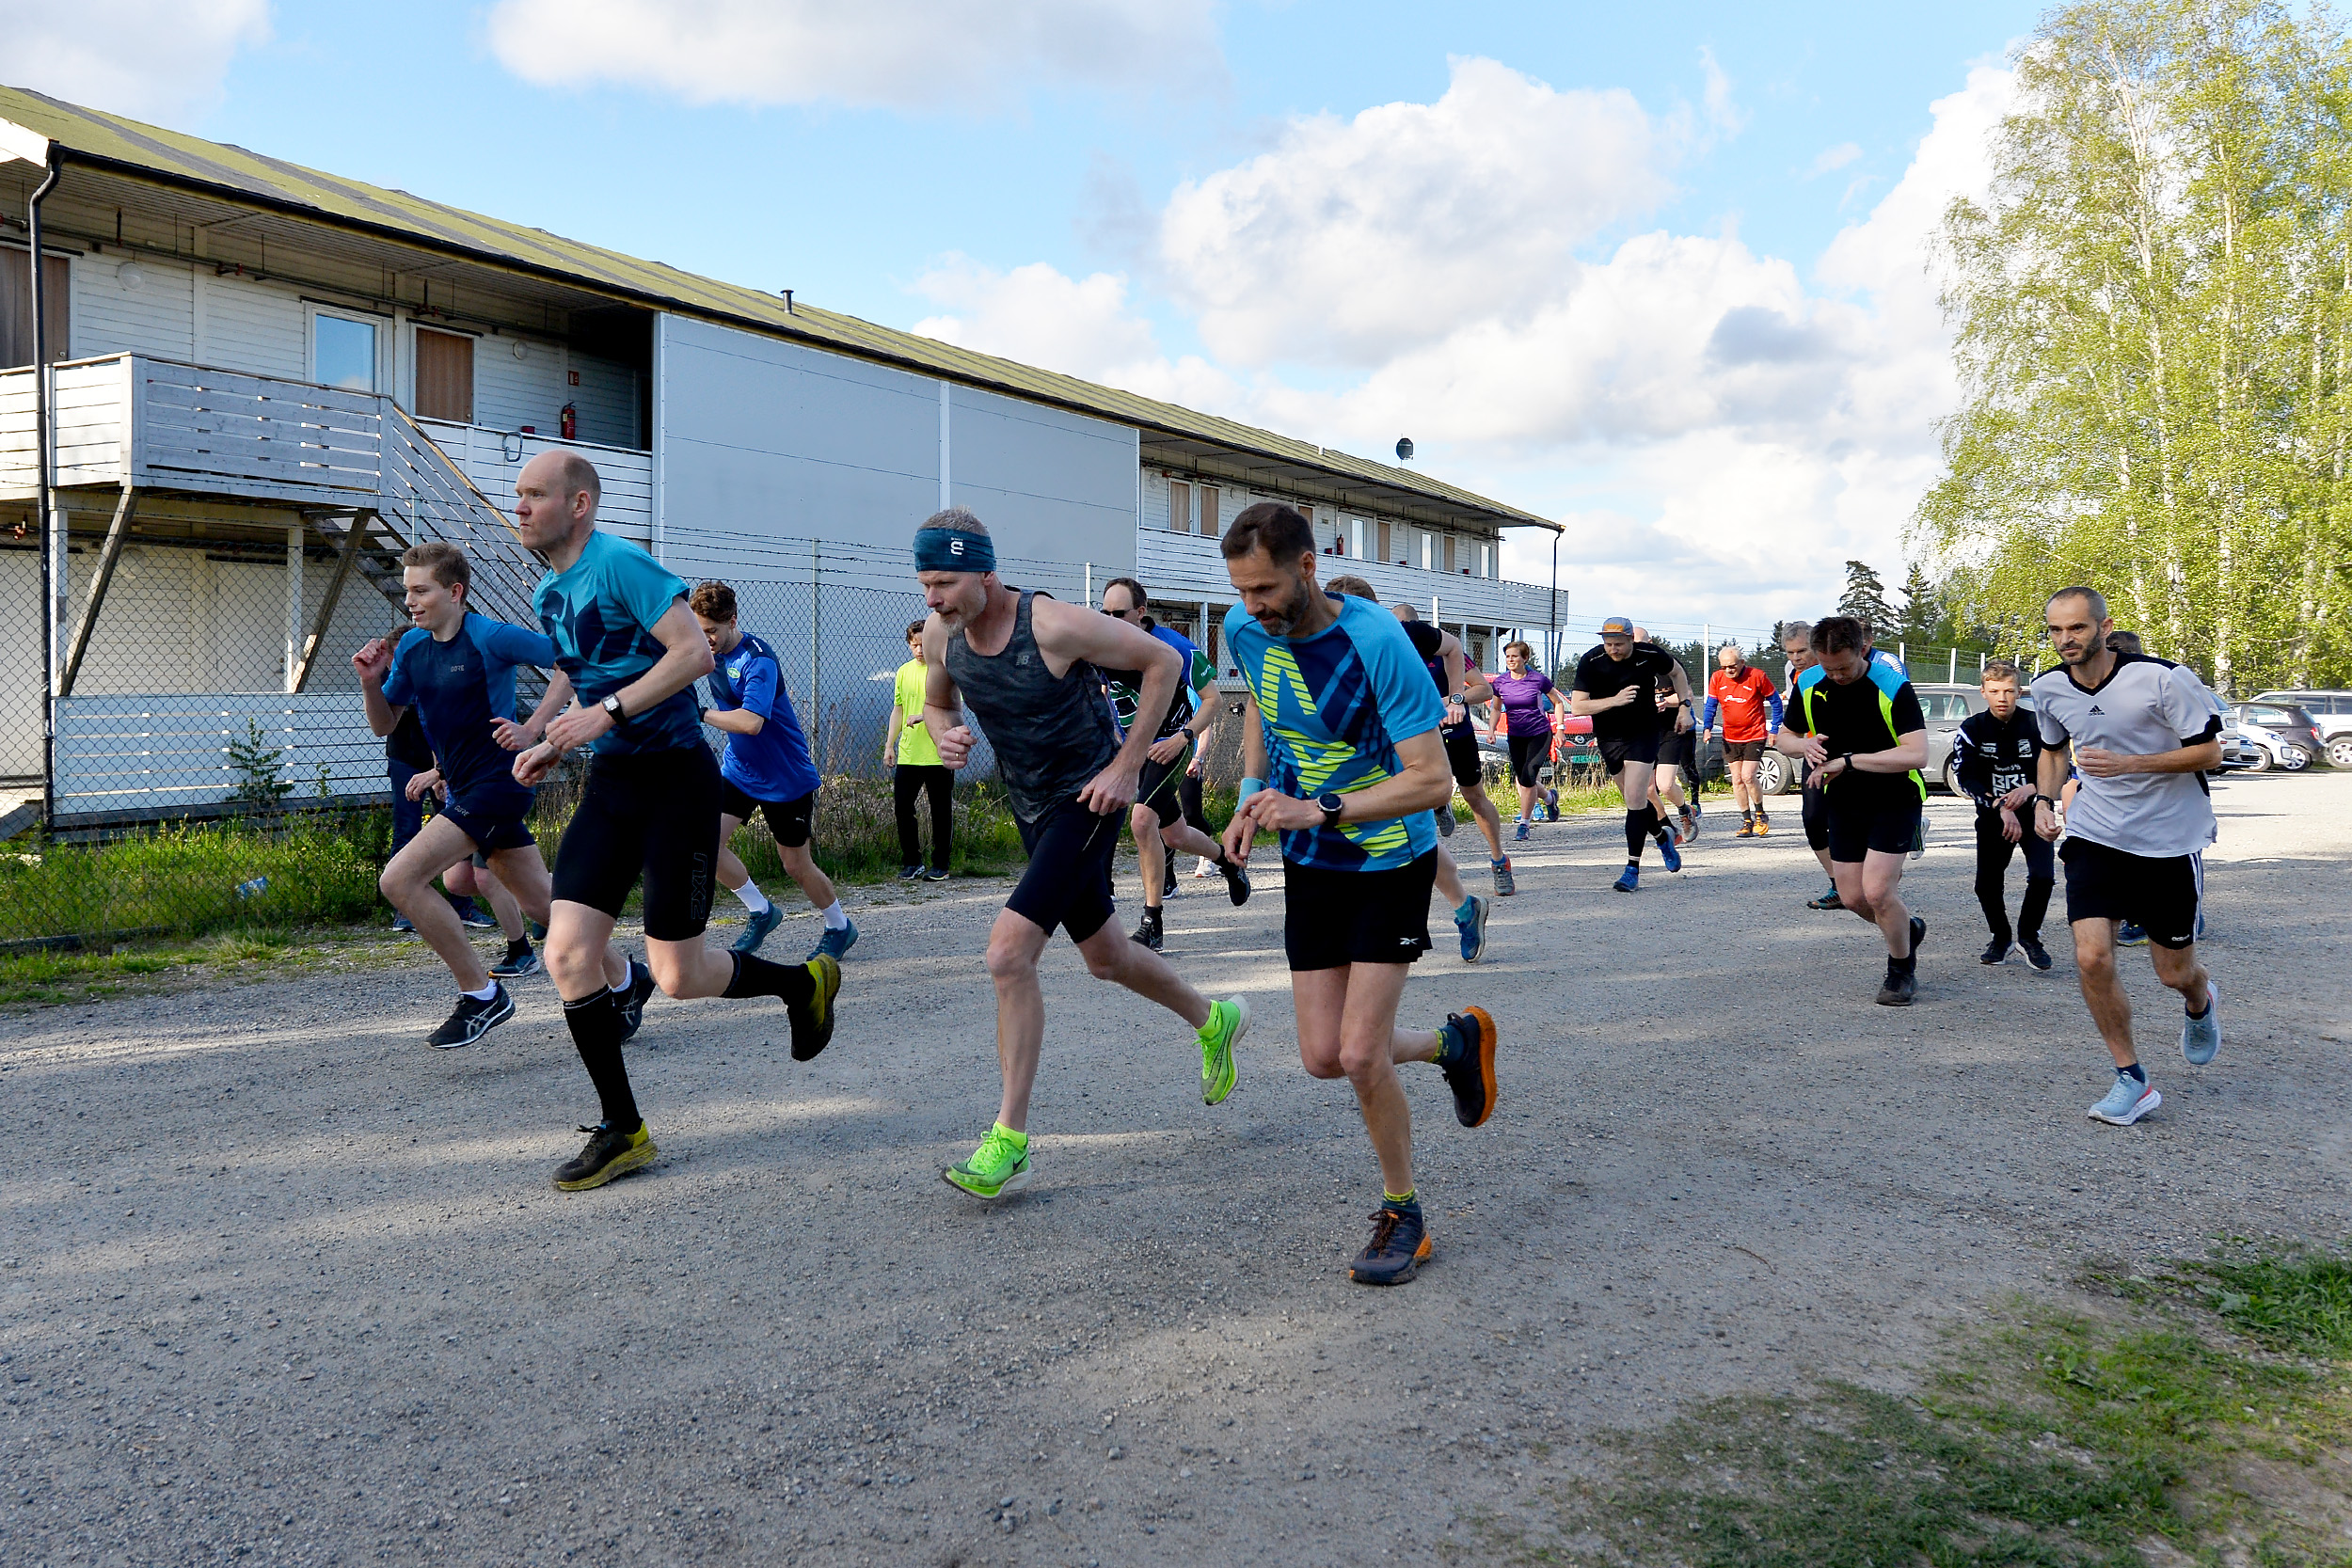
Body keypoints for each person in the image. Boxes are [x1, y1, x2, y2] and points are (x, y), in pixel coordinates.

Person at [504, 451, 844, 1193]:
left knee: (678, 974)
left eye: (535, 495)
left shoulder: (623, 563)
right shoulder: (550, 590)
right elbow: (591, 678)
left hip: (678, 785)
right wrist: (551, 738)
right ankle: (624, 1128)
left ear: (581, 503)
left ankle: (803, 985)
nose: (520, 506)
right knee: (566, 955)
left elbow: (690, 655)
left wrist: (604, 713)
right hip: (613, 783)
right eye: (519, 494)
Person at [913, 509, 1252, 1199]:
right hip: (1032, 808)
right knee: (1105, 957)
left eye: (945, 582)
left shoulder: (1053, 624)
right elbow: (940, 703)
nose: (933, 599)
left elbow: (1160, 663)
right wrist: (946, 734)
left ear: (985, 570)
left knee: (1008, 952)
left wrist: (1128, 767)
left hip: (1089, 799)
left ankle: (1009, 1140)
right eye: (925, 584)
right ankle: (1215, 1020)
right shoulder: (946, 636)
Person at [1218, 503, 1500, 1286]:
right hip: (1312, 863)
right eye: (1241, 590)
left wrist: (1320, 807)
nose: (1253, 607)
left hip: (1388, 862)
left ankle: (1403, 1213)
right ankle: (1452, 1043)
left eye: (1266, 588)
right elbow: (1261, 719)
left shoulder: (1378, 643)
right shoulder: (1247, 632)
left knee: (1357, 1051)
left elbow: (1431, 780)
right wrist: (1249, 797)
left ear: (1308, 568)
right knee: (1322, 1056)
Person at [355, 542, 573, 1048]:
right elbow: (384, 724)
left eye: (420, 590)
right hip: (461, 785)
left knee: (400, 880)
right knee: (544, 904)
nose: (410, 600)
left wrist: (535, 727)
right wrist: (370, 682)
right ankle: (627, 978)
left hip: (502, 782)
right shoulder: (410, 647)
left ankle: (482, 994)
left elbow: (569, 660)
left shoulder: (490, 637)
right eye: (407, 590)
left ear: (454, 592)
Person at [2030, 587, 2221, 1127]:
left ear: (2104, 627)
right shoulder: (2048, 690)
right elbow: (2052, 750)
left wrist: (2131, 764)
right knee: (2091, 956)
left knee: (2172, 972)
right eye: (2055, 631)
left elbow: (2209, 751)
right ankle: (2131, 1078)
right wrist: (2045, 800)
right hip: (2096, 834)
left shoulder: (2162, 679)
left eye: (2077, 629)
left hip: (2168, 839)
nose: (2066, 640)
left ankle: (2200, 999)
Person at [1325, 577, 1495, 962]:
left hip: (1407, 747)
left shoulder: (1402, 633)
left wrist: (1454, 698)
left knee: (1399, 834)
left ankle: (1385, 931)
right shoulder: (1324, 643)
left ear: (1368, 609)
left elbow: (1453, 649)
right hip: (1361, 750)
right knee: (1403, 837)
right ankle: (1465, 908)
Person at [688, 581, 855, 962]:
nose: (706, 639)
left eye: (712, 630)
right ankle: (762, 911)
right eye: (699, 630)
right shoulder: (704, 650)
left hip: (785, 778)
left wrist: (698, 714)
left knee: (796, 864)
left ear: (733, 620)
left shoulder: (758, 660)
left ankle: (839, 926)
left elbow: (750, 723)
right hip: (740, 771)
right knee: (706, 843)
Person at [1772, 615, 1930, 1004]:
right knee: (1853, 898)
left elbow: (1917, 754)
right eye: (1828, 668)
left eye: (1843, 667)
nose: (1837, 675)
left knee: (1877, 892)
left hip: (1895, 797)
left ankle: (1900, 971)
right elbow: (1784, 738)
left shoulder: (1893, 686)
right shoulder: (1808, 684)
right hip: (1843, 801)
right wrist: (1803, 747)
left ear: (1862, 649)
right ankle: (1905, 929)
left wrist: (1848, 761)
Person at [1095, 577, 1250, 952]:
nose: (1111, 619)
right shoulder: (1101, 646)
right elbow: (1103, 692)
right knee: (1176, 834)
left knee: (1142, 820)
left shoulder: (1176, 647)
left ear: (1141, 612)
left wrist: (1183, 737)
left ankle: (1153, 923)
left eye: (1120, 613)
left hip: (1172, 745)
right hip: (1133, 749)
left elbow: (1212, 700)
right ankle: (1229, 865)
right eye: (1105, 613)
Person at [1391, 604, 1513, 897]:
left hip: (1455, 731)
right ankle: (1437, 804)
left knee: (1474, 796)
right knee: (1408, 797)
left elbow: (1484, 690)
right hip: (1417, 736)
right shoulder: (1391, 653)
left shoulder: (1443, 650)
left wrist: (1450, 700)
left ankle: (1499, 860)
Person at [1569, 617, 1692, 892]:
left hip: (1644, 732)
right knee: (1631, 799)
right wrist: (1615, 700)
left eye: (1619, 644)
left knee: (1637, 797)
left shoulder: (1649, 654)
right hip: (1610, 736)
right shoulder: (1591, 661)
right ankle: (1663, 836)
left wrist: (1684, 706)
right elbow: (1577, 707)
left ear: (1630, 640)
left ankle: (1631, 869)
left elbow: (1678, 674)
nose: (1613, 649)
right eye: (1608, 643)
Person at [1953, 660, 2054, 971]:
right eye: (1995, 691)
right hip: (1992, 816)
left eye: (2009, 691)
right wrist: (1999, 806)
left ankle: (2029, 937)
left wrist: (2031, 790)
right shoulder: (1971, 728)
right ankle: (2001, 937)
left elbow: (2060, 769)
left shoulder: (2037, 725)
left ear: (2019, 692)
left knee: (2043, 876)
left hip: (2034, 813)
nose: (2002, 698)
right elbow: (1963, 777)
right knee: (1986, 884)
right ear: (1983, 692)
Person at [885, 619, 956, 881]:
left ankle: (941, 865)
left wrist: (925, 716)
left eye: (923, 643)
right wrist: (889, 745)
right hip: (909, 753)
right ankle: (912, 862)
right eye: (914, 644)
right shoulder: (903, 672)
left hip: (938, 752)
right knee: (903, 808)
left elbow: (951, 708)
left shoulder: (944, 670)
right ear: (909, 645)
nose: (919, 649)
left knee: (940, 810)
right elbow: (898, 709)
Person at [1780, 622, 1842, 909]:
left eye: (1801, 650)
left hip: (1855, 758)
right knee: (1813, 820)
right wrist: (1803, 744)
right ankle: (1838, 884)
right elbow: (1789, 730)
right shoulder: (1799, 677)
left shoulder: (1851, 669)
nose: (1796, 657)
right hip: (1817, 755)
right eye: (1790, 652)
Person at [1490, 640, 1573, 841]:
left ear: (1525, 658)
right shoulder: (1501, 682)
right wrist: (1491, 729)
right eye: (1508, 656)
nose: (1510, 660)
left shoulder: (1538, 680)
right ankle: (1549, 798)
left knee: (1528, 776)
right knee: (1524, 778)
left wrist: (1560, 729)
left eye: (1515, 656)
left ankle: (1524, 825)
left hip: (1539, 733)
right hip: (1516, 735)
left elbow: (1557, 702)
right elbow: (1495, 707)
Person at [1703, 642, 1782, 837]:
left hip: (1754, 734)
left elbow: (1776, 701)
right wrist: (1707, 727)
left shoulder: (1757, 676)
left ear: (1742, 663)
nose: (1728, 670)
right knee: (1737, 780)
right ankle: (1746, 820)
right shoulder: (1717, 679)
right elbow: (1711, 705)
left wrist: (1774, 728)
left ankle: (1760, 814)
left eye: (1732, 666)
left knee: (1748, 776)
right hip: (1730, 736)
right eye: (1724, 667)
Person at [1632, 626, 1699, 843]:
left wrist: (1663, 702)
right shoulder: (1627, 668)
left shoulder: (1667, 663)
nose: (1635, 648)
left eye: (1639, 643)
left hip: (1670, 729)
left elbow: (1687, 694)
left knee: (1665, 785)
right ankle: (1668, 827)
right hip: (1644, 731)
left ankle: (1684, 810)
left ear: (1650, 642)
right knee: (1648, 789)